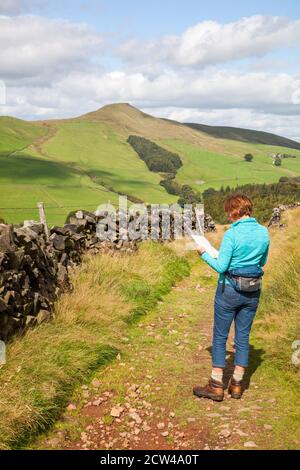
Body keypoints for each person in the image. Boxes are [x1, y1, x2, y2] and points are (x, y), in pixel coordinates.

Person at [193, 194, 270, 402]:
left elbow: (221, 267)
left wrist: (204, 254)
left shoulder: (232, 234)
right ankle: (237, 384)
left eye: (229, 212)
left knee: (220, 336)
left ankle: (216, 386)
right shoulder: (264, 232)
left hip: (229, 290)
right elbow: (261, 261)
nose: (227, 216)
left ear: (234, 211)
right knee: (243, 337)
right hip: (252, 291)